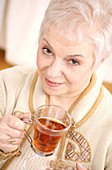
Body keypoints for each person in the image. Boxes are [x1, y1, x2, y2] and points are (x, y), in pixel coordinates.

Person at [0, 0, 112, 169]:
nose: (52, 72)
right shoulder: (6, 85)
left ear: (99, 61)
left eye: (73, 61)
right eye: (47, 50)